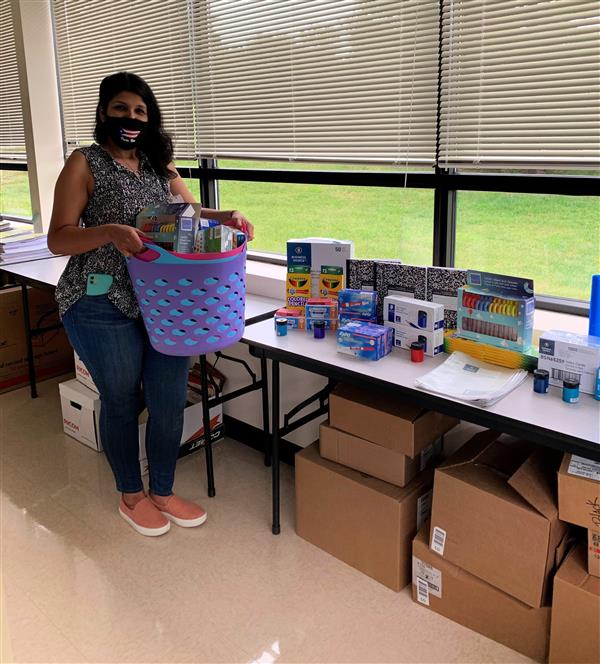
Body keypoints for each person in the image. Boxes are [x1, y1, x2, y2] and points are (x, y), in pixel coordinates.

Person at [48, 71, 254, 537]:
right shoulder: (85, 162)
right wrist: (109, 232)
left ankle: (161, 489)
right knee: (121, 401)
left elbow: (193, 213)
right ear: (104, 111)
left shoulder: (159, 163)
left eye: (140, 111)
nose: (131, 117)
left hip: (167, 302)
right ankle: (131, 494)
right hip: (101, 300)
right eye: (121, 108)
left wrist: (230, 215)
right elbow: (58, 238)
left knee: (167, 402)